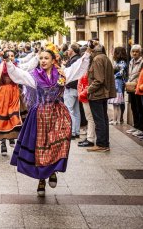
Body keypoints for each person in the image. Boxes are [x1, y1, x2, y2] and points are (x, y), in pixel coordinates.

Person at [6, 48, 90, 196]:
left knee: (59, 143)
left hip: (58, 114)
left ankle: (53, 170)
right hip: (39, 115)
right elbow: (19, 75)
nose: (43, 61)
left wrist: (86, 55)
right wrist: (9, 64)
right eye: (41, 58)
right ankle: (41, 179)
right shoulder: (35, 76)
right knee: (41, 147)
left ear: (53, 60)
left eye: (46, 58)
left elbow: (77, 68)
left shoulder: (62, 74)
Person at [87, 44, 116, 152]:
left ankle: (101, 144)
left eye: (90, 50)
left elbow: (99, 80)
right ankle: (104, 143)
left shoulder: (97, 59)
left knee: (99, 120)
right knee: (103, 119)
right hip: (102, 94)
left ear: (94, 51)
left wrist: (88, 90)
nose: (89, 52)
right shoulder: (105, 57)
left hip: (97, 95)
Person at [63, 44, 81, 140]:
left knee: (69, 110)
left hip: (71, 88)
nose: (67, 51)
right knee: (76, 111)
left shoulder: (74, 60)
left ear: (73, 51)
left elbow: (70, 74)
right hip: (76, 88)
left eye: (69, 49)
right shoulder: (77, 59)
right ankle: (76, 131)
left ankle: (72, 132)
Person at [125, 45, 143, 137]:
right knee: (133, 108)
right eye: (133, 51)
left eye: (137, 51)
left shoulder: (142, 61)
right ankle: (136, 127)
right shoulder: (131, 61)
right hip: (131, 87)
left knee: (140, 108)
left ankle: (140, 128)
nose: (135, 53)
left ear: (140, 53)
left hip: (138, 87)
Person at [108, 47, 128, 125]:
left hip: (118, 84)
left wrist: (113, 76)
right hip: (118, 84)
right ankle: (118, 119)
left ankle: (118, 119)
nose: (113, 54)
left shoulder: (122, 62)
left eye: (115, 52)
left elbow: (121, 72)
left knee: (117, 104)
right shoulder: (118, 62)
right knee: (118, 105)